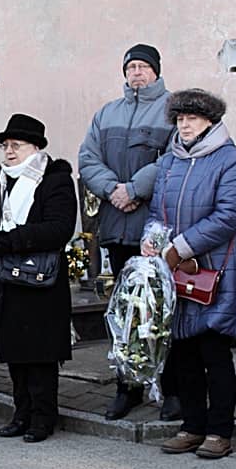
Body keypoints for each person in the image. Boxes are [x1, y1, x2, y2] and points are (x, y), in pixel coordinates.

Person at [142, 90, 236, 459]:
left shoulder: (231, 159)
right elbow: (156, 211)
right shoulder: (170, 160)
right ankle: (191, 426)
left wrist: (180, 247)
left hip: (217, 270)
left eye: (192, 119)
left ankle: (219, 432)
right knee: (183, 353)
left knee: (214, 354)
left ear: (210, 121)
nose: (184, 125)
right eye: (180, 119)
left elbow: (230, 214)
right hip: (175, 272)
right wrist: (152, 240)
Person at [78, 44, 180, 422]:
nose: (136, 72)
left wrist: (135, 189)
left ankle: (171, 388)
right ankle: (128, 387)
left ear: (156, 71)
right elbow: (88, 158)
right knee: (125, 311)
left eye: (143, 66)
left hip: (154, 229)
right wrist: (113, 190)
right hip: (117, 228)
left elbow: (172, 157)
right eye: (131, 67)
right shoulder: (107, 113)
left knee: (162, 309)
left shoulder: (172, 110)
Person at [0, 114, 77, 443]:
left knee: (39, 354)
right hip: (6, 278)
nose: (9, 151)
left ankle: (43, 417)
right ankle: (21, 413)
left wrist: (7, 241)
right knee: (14, 351)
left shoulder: (55, 179)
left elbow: (59, 228)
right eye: (5, 145)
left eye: (16, 145)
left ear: (35, 147)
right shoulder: (0, 179)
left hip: (40, 279)